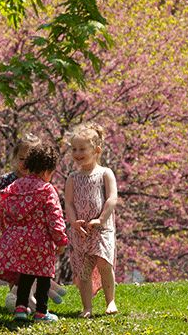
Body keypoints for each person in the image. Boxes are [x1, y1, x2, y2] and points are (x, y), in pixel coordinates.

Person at [0, 143, 68, 323]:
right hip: (40, 242)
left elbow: (2, 211)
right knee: (43, 277)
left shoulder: (15, 186)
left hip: (17, 240)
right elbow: (55, 216)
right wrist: (61, 240)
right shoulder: (47, 189)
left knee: (25, 275)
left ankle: (20, 308)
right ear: (46, 171)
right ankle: (41, 312)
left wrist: (8, 233)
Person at [63, 122, 119, 318]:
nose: (77, 153)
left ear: (96, 150)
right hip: (82, 232)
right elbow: (68, 202)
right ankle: (87, 307)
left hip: (102, 229)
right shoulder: (72, 177)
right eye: (74, 149)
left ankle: (110, 301)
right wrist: (73, 221)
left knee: (105, 265)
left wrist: (101, 219)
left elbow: (112, 198)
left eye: (82, 149)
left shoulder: (105, 173)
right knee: (83, 272)